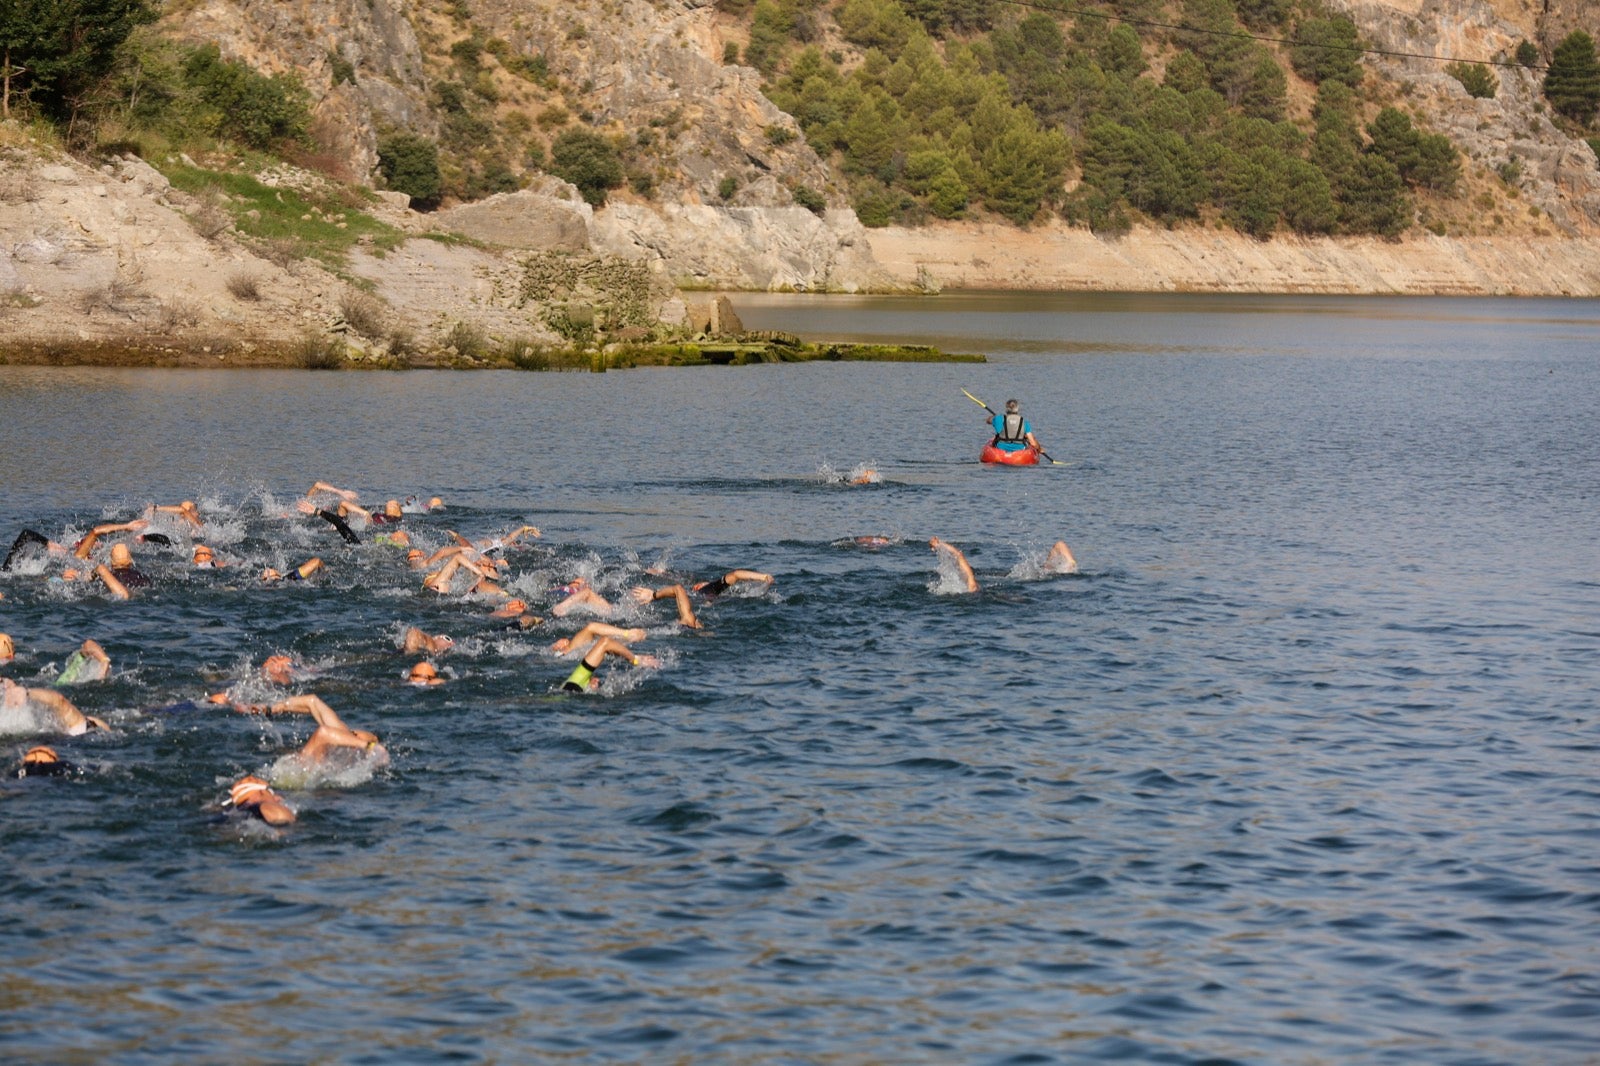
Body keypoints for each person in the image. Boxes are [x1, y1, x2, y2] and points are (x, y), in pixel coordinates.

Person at [1, 678, 109, 734]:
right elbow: (59, 701)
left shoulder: (77, 730)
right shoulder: (79, 729)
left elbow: (59, 701)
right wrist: (25, 693)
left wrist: (24, 693)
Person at [561, 637, 658, 693]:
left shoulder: (567, 686)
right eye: (591, 678)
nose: (597, 680)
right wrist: (636, 660)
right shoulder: (576, 681)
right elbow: (605, 642)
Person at [227, 775, 296, 826]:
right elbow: (280, 816)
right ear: (261, 792)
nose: (278, 797)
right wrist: (267, 801)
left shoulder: (230, 813)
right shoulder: (260, 807)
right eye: (270, 793)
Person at [551, 623, 647, 654]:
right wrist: (626, 633)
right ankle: (628, 634)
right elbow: (592, 628)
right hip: (564, 653)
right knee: (591, 628)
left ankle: (628, 637)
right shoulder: (567, 649)